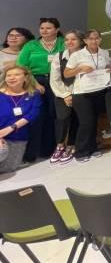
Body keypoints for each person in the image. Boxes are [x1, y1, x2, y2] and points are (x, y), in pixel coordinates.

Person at [16, 17, 64, 162]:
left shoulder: (63, 43)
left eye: (48, 28)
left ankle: (49, 150)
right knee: (36, 116)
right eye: (42, 28)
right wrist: (35, 84)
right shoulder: (31, 45)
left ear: (57, 30)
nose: (44, 31)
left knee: (53, 115)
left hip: (59, 80)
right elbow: (22, 66)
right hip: (36, 81)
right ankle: (32, 152)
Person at [64, 30, 111, 162]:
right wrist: (80, 69)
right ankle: (80, 152)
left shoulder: (104, 53)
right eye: (90, 38)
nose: (94, 41)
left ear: (100, 40)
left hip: (99, 90)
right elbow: (67, 73)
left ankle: (93, 148)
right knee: (86, 122)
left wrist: (108, 69)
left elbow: (107, 65)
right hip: (82, 93)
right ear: (85, 41)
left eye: (97, 38)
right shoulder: (77, 55)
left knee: (94, 121)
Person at [48, 30, 83, 164]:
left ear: (80, 41)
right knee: (63, 117)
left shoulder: (86, 55)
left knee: (77, 119)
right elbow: (55, 79)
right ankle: (60, 145)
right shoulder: (59, 56)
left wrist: (75, 93)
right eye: (67, 39)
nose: (69, 42)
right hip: (62, 93)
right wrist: (66, 94)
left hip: (81, 92)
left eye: (73, 39)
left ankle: (71, 145)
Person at [0, 66, 42, 173]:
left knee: (9, 168)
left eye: (16, 74)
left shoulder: (33, 94)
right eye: (9, 75)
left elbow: (33, 114)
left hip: (18, 137)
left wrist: (11, 128)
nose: (11, 78)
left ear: (26, 78)